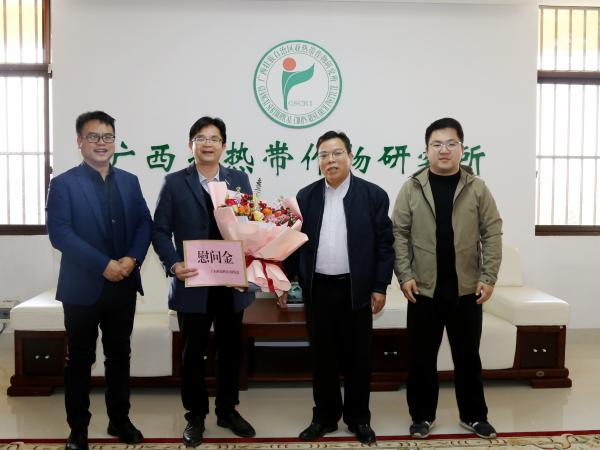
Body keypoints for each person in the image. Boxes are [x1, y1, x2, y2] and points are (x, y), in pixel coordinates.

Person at [46, 111, 152, 450]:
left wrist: (132, 259)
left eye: (107, 136)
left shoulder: (130, 181)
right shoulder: (64, 184)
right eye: (93, 136)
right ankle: (78, 429)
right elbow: (60, 234)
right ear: (79, 142)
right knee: (79, 359)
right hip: (81, 288)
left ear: (114, 142)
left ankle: (119, 419)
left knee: (119, 356)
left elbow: (144, 223)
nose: (101, 143)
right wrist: (103, 264)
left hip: (123, 284)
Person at [280, 130, 394, 445]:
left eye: (337, 153)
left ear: (350, 156)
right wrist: (283, 281)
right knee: (322, 357)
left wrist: (380, 286)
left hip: (356, 290)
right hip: (318, 290)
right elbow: (293, 244)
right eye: (324, 155)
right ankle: (325, 417)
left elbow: (385, 245)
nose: (330, 160)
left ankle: (359, 419)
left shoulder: (373, 195)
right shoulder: (306, 197)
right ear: (318, 161)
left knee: (358, 357)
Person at [392, 117, 502, 439]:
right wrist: (405, 275)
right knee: (421, 359)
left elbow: (492, 232)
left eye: (451, 143)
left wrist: (489, 276)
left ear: (462, 148)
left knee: (468, 357)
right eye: (437, 144)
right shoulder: (412, 188)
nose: (444, 150)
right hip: (423, 291)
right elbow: (398, 234)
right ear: (426, 150)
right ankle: (421, 416)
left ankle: (474, 415)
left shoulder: (477, 188)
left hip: (466, 290)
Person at [152, 116, 256, 447]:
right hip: (193, 282)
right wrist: (173, 264)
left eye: (214, 138)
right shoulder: (174, 183)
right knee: (192, 353)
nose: (207, 144)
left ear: (224, 145)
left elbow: (250, 226)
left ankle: (227, 411)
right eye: (201, 138)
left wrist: (250, 267)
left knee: (230, 350)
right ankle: (195, 416)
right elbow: (159, 230)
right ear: (191, 145)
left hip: (230, 283)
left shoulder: (239, 179)